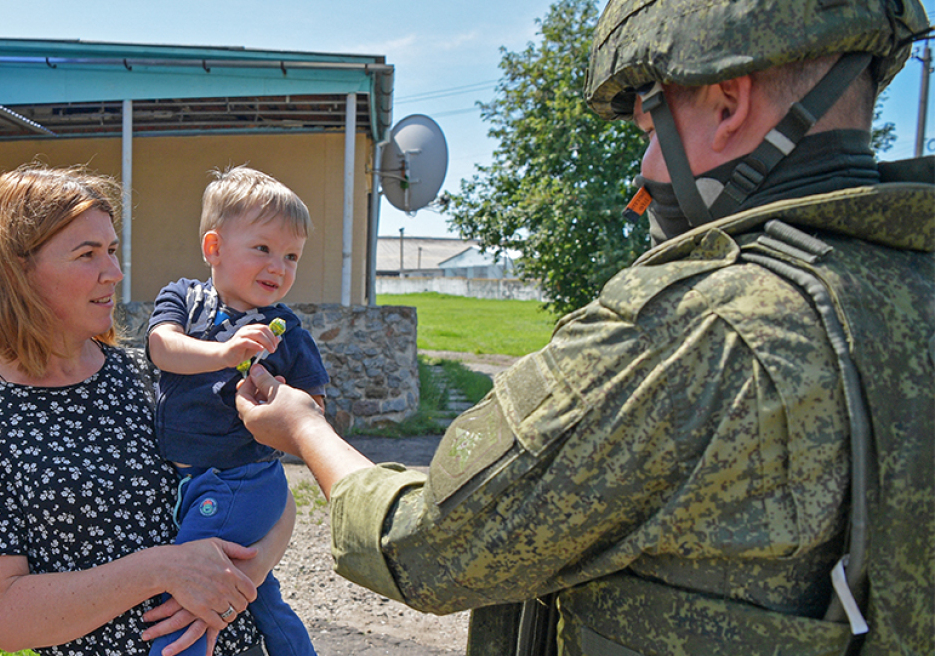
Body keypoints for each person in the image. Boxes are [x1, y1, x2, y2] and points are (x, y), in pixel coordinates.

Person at [234, 1, 934, 654]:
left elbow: (426, 545)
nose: (646, 169)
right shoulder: (911, 284)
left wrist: (305, 430)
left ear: (728, 104)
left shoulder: (692, 328)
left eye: (649, 131)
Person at [0, 165, 296, 656]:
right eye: (87, 254)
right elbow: (6, 617)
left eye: (112, 249)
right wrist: (164, 568)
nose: (114, 272)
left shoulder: (160, 375)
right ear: (18, 272)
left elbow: (270, 495)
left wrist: (235, 582)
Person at [145, 166, 327, 656]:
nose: (279, 266)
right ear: (214, 248)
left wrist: (284, 403)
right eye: (263, 248)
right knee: (261, 598)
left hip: (241, 481)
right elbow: (163, 348)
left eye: (292, 256)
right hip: (201, 479)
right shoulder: (184, 298)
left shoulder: (286, 330)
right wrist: (225, 353)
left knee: (189, 594)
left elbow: (314, 412)